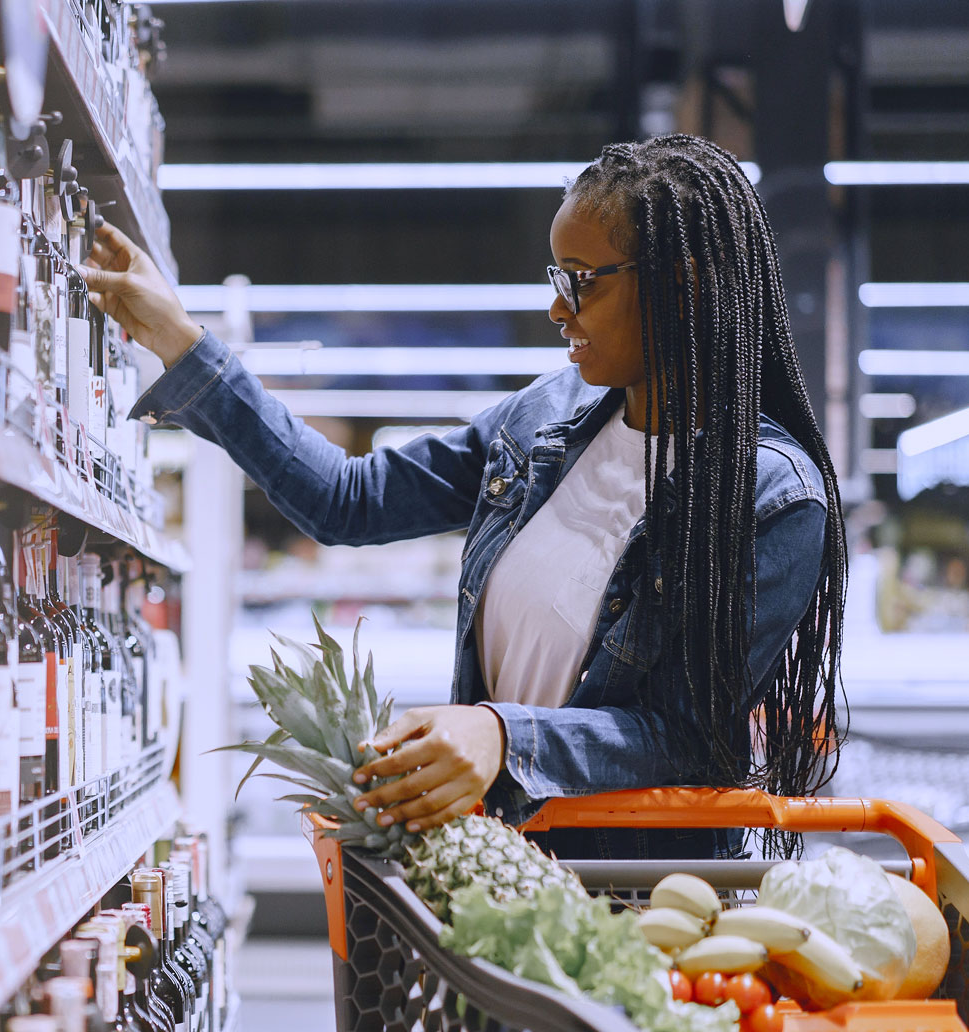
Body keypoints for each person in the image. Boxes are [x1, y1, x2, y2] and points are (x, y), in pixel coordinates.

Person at [80, 134, 846, 860]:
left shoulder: (773, 500)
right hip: (497, 869)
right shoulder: (542, 420)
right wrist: (184, 342)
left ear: (681, 283)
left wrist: (504, 737)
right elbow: (350, 500)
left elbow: (688, 736)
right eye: (557, 279)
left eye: (580, 280)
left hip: (642, 898)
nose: (558, 309)